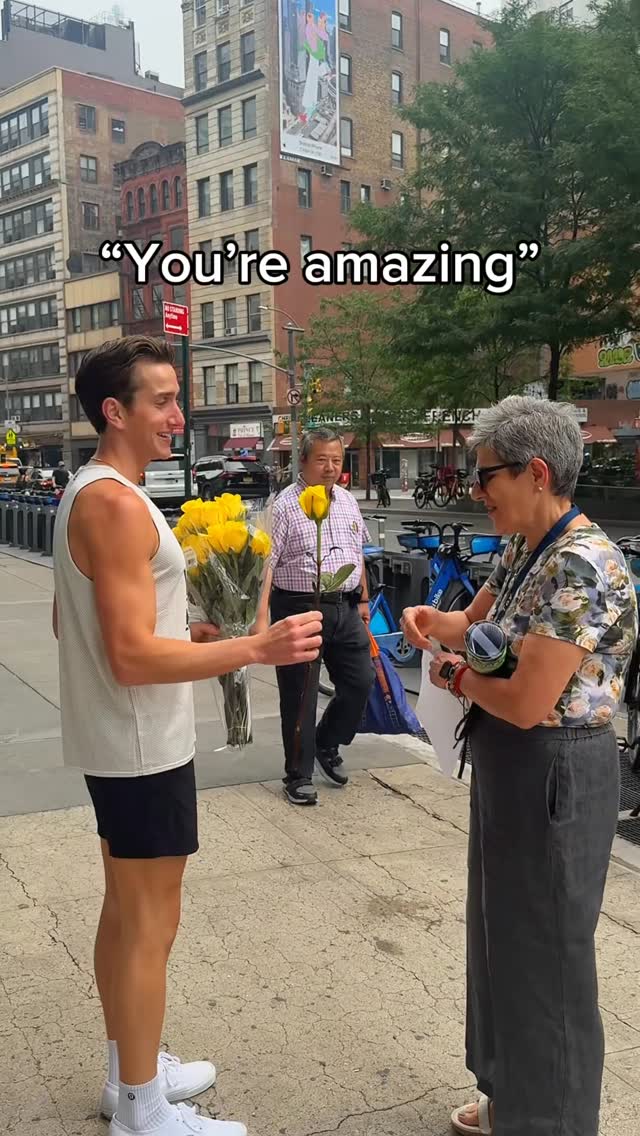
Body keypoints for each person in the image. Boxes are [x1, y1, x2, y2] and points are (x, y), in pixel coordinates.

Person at [52, 337, 322, 1136]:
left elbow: (84, 622)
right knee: (149, 925)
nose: (179, 414)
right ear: (116, 411)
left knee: (125, 914)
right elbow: (129, 657)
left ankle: (128, 1071)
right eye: (163, 400)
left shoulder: (92, 492)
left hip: (124, 741)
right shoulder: (112, 502)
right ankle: (143, 1108)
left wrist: (194, 630)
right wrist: (253, 648)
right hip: (139, 745)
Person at [400, 396, 638, 1136]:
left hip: (555, 770)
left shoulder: (583, 564)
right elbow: (473, 626)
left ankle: (552, 1121)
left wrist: (450, 677)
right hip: (511, 763)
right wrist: (428, 625)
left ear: (536, 473)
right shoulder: (523, 546)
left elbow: (531, 698)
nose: (478, 492)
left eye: (488, 477)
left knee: (549, 959)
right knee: (500, 934)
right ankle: (510, 1094)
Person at [254, 427, 375, 805]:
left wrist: (364, 600)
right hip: (299, 606)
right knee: (301, 695)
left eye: (336, 460)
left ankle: (327, 741)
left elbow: (358, 553)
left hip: (344, 605)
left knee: (361, 682)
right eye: (321, 459)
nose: (330, 468)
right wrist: (260, 621)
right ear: (303, 462)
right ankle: (298, 775)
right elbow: (267, 565)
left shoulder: (347, 501)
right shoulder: (284, 506)